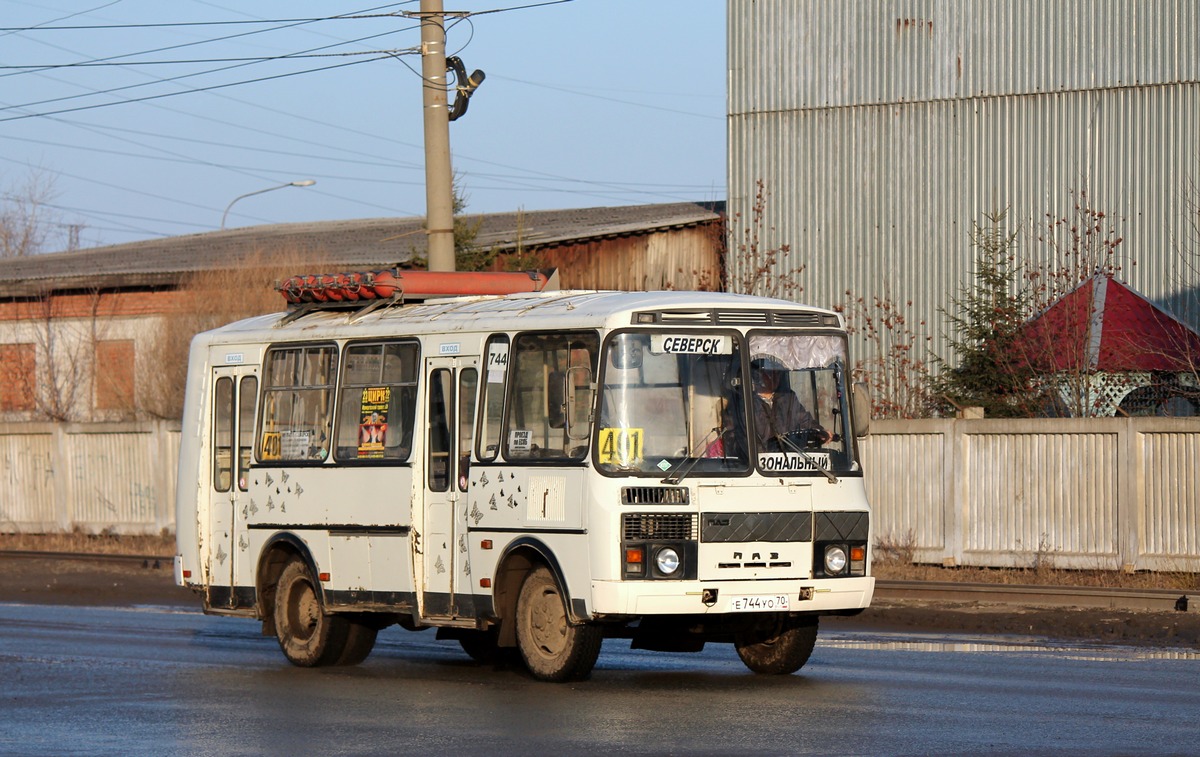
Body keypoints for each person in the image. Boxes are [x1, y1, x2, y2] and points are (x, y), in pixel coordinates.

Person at [743, 358, 831, 451]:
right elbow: (746, 440)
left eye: (778, 373)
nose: (775, 377)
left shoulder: (788, 397)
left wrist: (819, 432)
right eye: (770, 373)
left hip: (789, 460)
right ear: (758, 375)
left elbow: (804, 420)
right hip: (761, 461)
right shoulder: (746, 403)